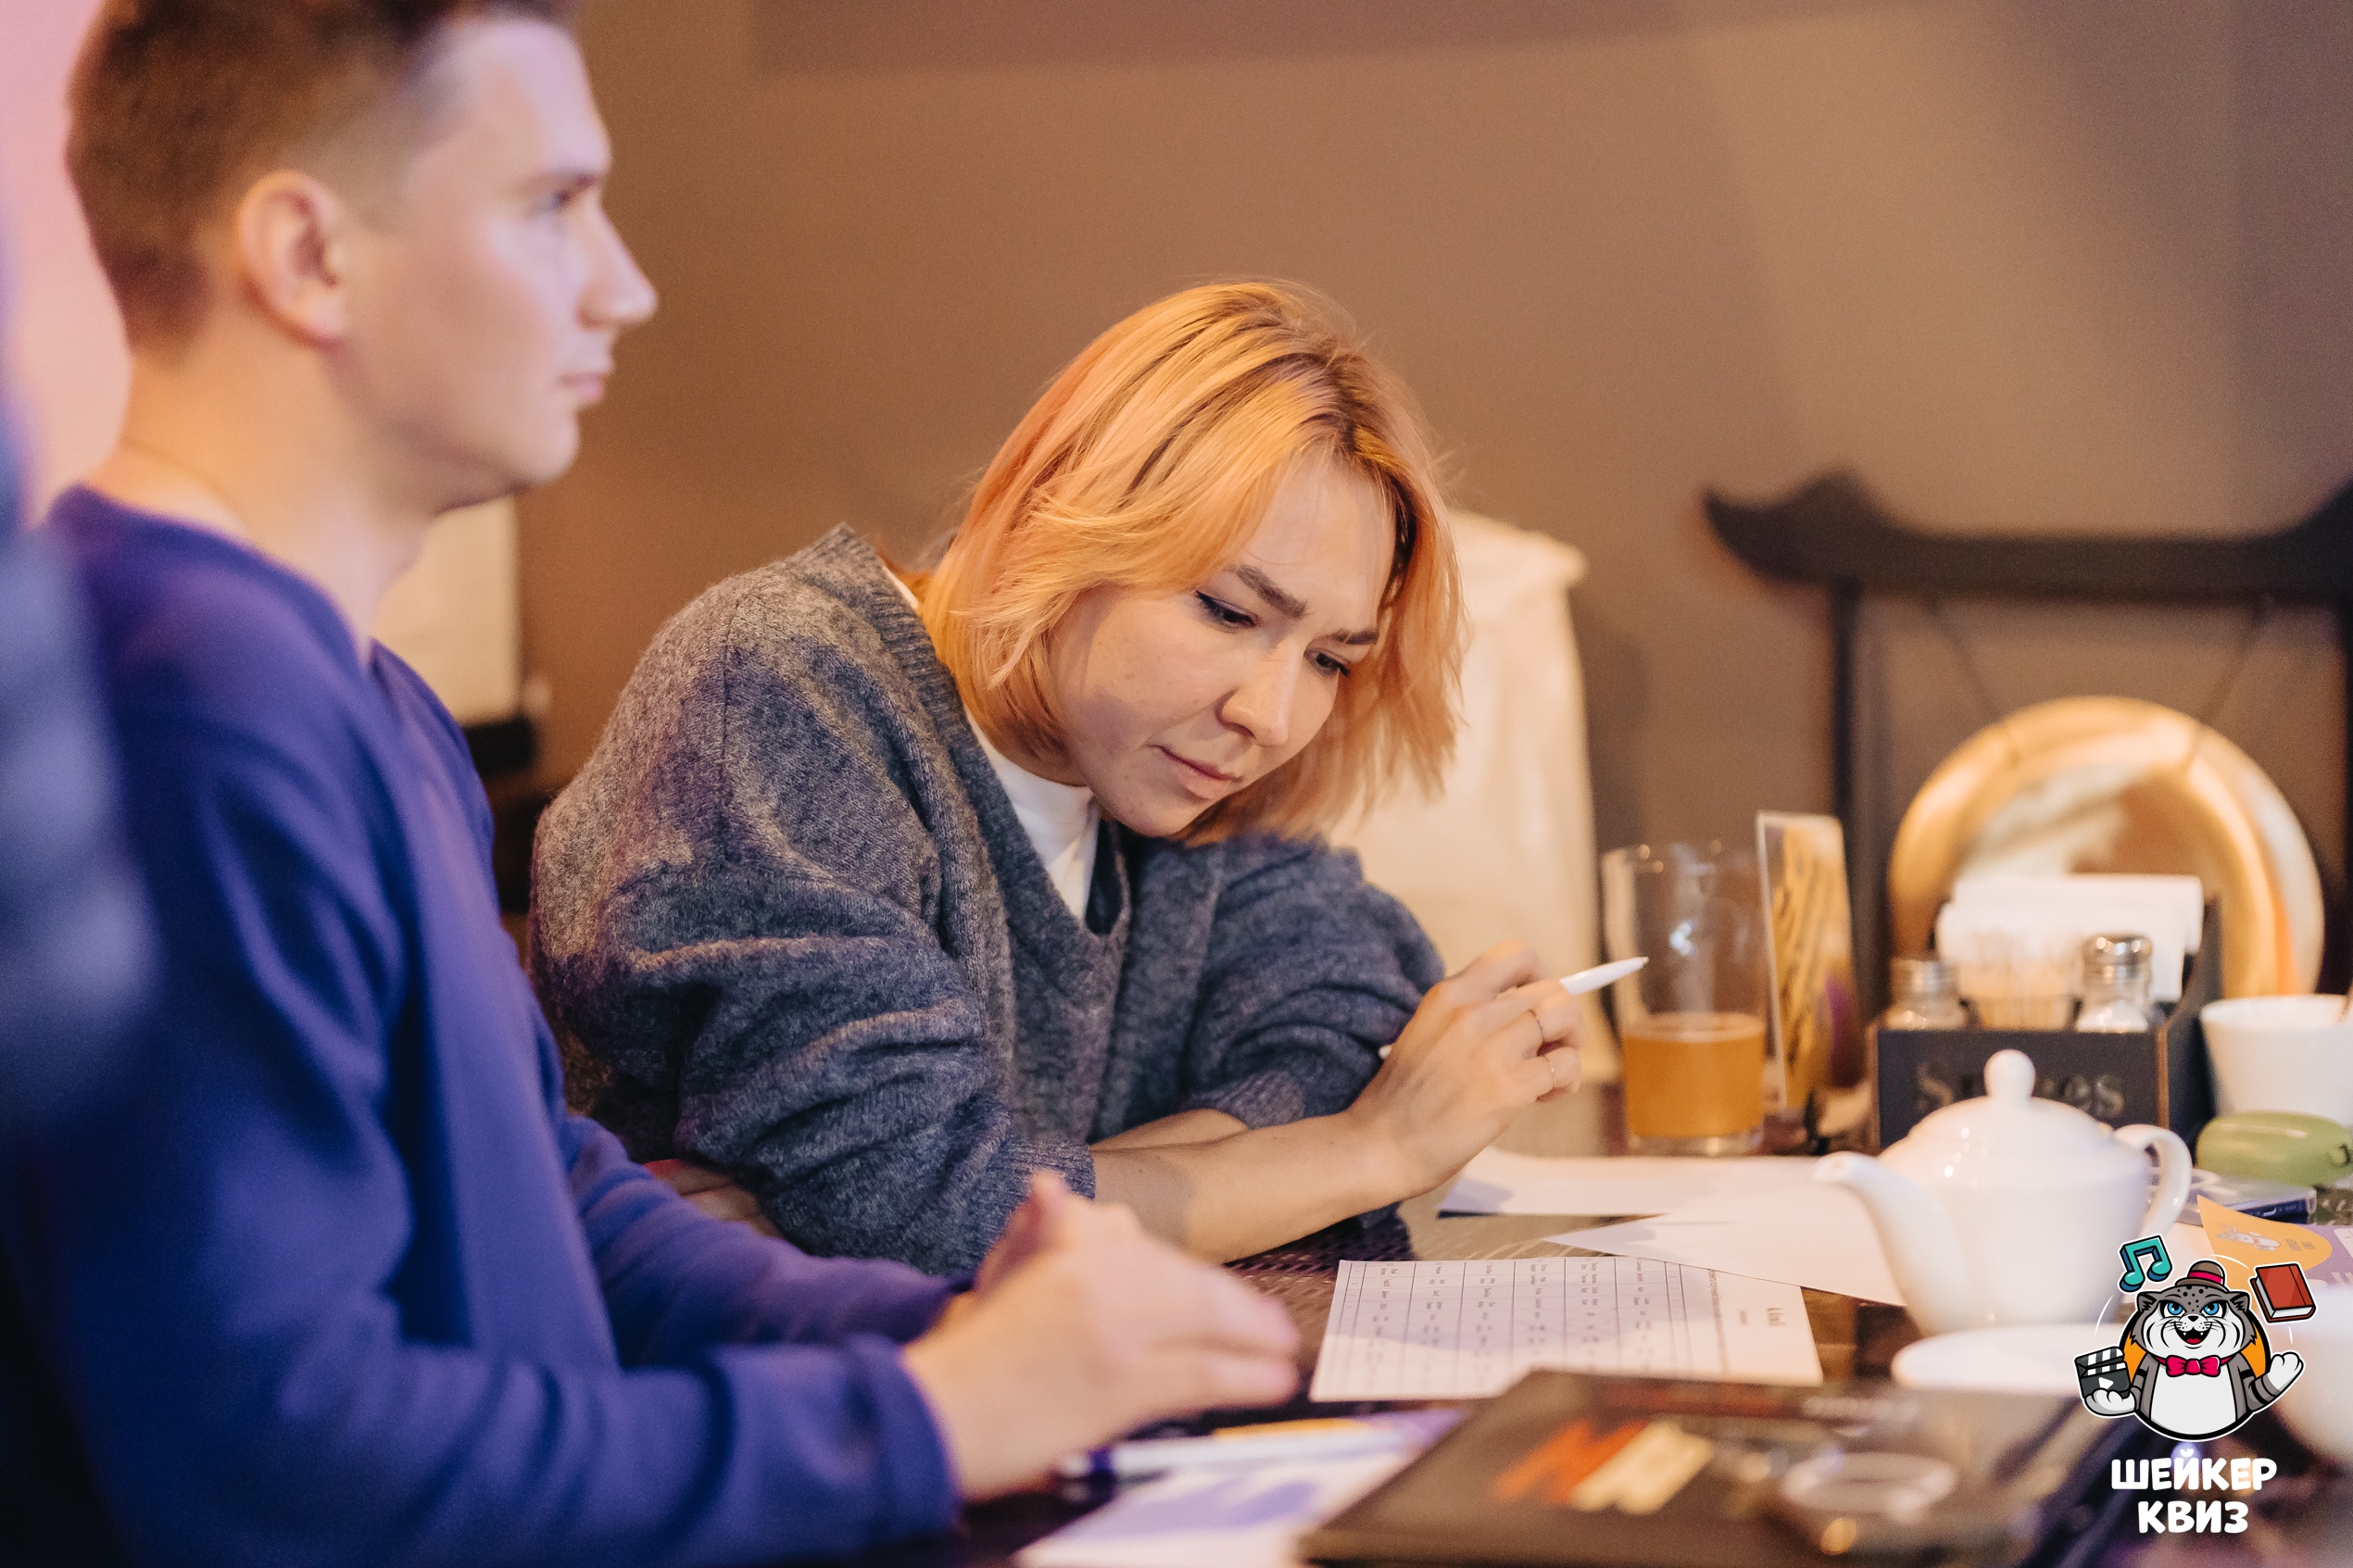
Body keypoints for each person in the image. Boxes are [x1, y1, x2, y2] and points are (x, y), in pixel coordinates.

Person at [0, 4, 1300, 1564]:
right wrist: (928, 1419)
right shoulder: (178, 706)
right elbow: (273, 1455)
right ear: (306, 254)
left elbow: (555, 1202)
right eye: (552, 206)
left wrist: (943, 1331)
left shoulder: (361, 693)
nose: (627, 283)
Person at [533, 282, 1586, 1275]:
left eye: (1327, 659)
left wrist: (1018, 1191)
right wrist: (1369, 1152)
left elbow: (1349, 1006)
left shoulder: (1166, 771)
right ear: (1057, 518)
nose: (1268, 717)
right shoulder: (782, 686)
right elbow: (924, 1214)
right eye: (1226, 611)